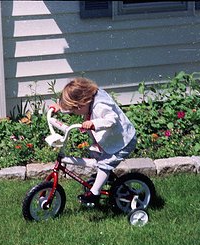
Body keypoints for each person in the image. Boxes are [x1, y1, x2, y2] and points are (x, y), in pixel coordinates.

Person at [50, 77, 137, 205]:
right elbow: (75, 106)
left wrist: (93, 123)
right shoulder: (88, 99)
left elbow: (111, 119)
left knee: (104, 163)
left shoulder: (100, 106)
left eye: (75, 109)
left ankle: (94, 193)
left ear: (84, 102)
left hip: (123, 141)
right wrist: (60, 107)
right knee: (95, 155)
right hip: (110, 140)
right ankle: (107, 177)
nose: (73, 112)